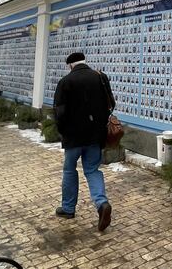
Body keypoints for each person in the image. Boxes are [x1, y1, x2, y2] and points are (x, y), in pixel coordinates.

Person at [53, 52, 114, 230]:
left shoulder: (66, 82)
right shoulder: (100, 77)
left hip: (73, 137)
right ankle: (102, 204)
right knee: (92, 170)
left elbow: (60, 112)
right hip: (95, 135)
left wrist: (62, 132)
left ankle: (68, 208)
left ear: (71, 65)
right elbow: (111, 103)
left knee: (69, 169)